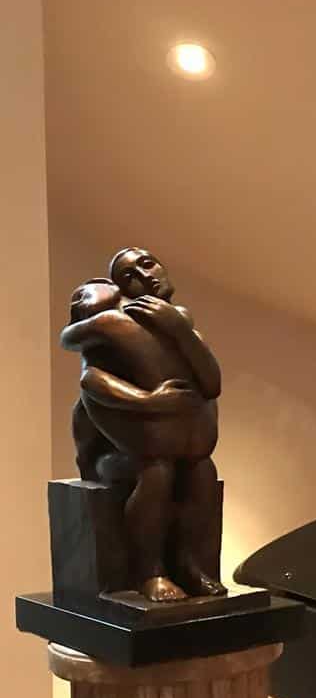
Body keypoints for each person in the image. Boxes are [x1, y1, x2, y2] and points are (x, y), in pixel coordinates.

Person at [60, 249, 225, 601]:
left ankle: (187, 563)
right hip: (125, 456)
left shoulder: (180, 322)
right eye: (130, 275)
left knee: (202, 473)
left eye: (147, 263)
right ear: (121, 291)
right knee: (157, 473)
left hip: (179, 445)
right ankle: (149, 571)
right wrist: (148, 401)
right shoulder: (112, 327)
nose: (146, 275)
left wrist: (181, 332)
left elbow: (212, 384)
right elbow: (90, 377)